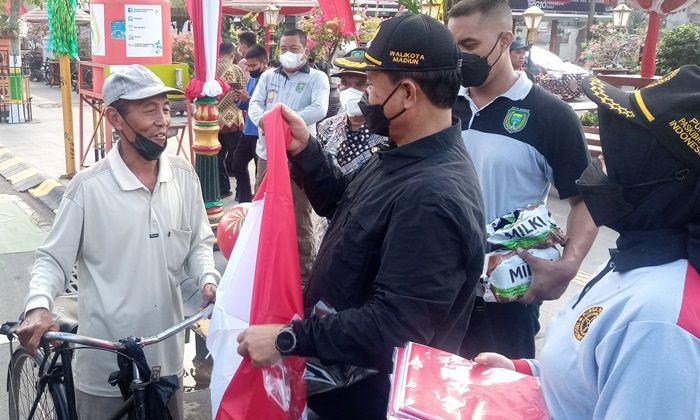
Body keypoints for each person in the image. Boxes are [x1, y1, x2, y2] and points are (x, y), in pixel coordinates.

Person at [236, 14, 486, 419]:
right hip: (334, 388)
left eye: (370, 84)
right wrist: (307, 153)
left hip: (369, 403)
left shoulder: (433, 196)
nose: (364, 98)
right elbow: (347, 206)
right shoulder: (401, 153)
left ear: (406, 93)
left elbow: (394, 328)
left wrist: (288, 339)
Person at [477, 65, 700, 419]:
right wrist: (524, 374)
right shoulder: (639, 261)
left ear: (666, 179)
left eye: (619, 157)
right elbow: (591, 379)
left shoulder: (660, 323)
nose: (601, 167)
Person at [16, 65, 220, 420]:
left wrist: (207, 278)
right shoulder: (89, 187)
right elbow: (53, 259)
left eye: (165, 108)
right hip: (103, 367)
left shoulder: (185, 176)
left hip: (167, 358)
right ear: (114, 117)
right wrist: (38, 305)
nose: (163, 121)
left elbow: (200, 244)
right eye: (149, 109)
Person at [447, 0, 598, 359]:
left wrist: (568, 265)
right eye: (454, 48)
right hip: (437, 285)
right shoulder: (444, 104)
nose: (460, 58)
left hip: (504, 296)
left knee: (496, 399)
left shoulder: (550, 115)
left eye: (470, 46)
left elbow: (589, 200)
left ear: (505, 41)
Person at [248, 28, 330, 285]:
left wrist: (282, 123)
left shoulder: (317, 78)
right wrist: (265, 121)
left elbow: (319, 109)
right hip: (267, 155)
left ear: (305, 50)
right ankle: (265, 270)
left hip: (298, 157)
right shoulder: (268, 76)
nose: (288, 54)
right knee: (264, 213)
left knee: (298, 217)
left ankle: (303, 280)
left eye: (293, 49)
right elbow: (255, 104)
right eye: (283, 49)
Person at [319, 47, 390, 174]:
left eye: (361, 84)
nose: (351, 91)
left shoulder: (388, 134)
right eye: (345, 84)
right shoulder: (326, 127)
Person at [232, 44, 268, 203]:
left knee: (260, 173)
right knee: (237, 164)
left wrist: (249, 99)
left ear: (264, 62)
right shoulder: (252, 80)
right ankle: (245, 200)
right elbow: (247, 106)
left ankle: (258, 202)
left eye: (253, 65)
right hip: (247, 131)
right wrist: (239, 100)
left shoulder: (269, 80)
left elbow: (270, 106)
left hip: (260, 132)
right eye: (248, 65)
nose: (250, 69)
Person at [217, 41, 247, 198]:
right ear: (232, 54)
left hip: (214, 119)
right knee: (238, 156)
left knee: (217, 156)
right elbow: (242, 92)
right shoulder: (236, 69)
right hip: (233, 119)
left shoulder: (211, 71)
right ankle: (240, 191)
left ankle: (222, 188)